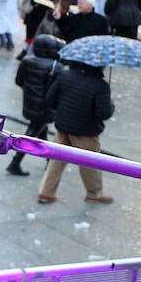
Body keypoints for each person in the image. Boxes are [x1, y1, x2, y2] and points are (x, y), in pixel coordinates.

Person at [37, 58, 115, 205]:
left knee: (57, 160)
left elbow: (50, 99)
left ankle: (46, 193)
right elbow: (103, 114)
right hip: (85, 132)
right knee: (90, 163)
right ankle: (94, 194)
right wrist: (110, 104)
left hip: (63, 126)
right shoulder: (100, 85)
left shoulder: (65, 75)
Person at [9, 34, 62, 176]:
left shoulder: (27, 61)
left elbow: (19, 81)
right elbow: (57, 91)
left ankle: (49, 162)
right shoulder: (56, 66)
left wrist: (31, 91)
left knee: (40, 132)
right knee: (32, 134)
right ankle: (15, 163)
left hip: (30, 104)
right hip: (46, 107)